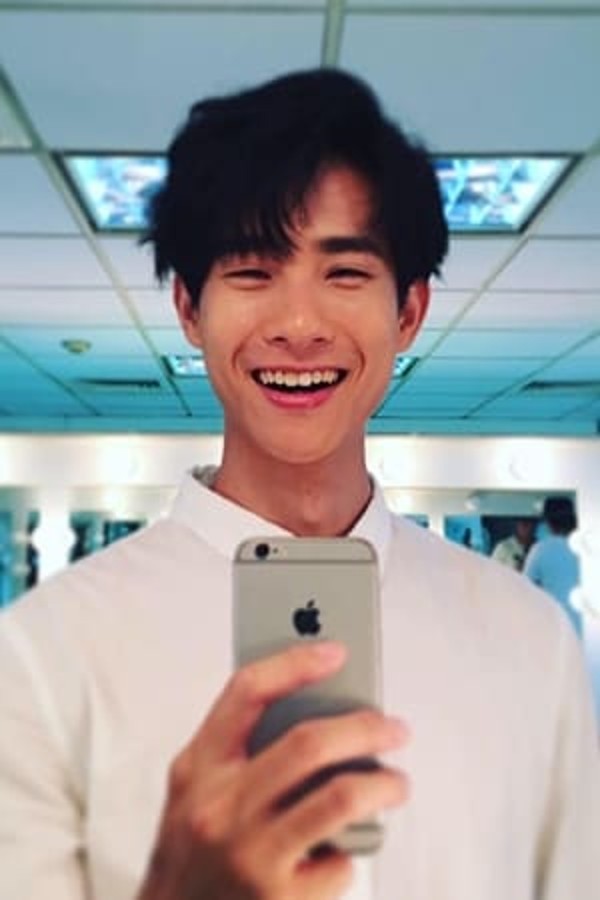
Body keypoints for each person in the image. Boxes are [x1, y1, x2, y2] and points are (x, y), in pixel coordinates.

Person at [0, 69, 598, 900]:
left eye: (344, 272)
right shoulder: (42, 654)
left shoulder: (530, 643)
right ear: (188, 308)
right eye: (252, 272)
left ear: (409, 312)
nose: (299, 325)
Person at [524, 496, 583, 637]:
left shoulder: (540, 549)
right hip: (588, 627)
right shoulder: (586, 546)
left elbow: (524, 587)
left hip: (556, 627)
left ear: (548, 522)